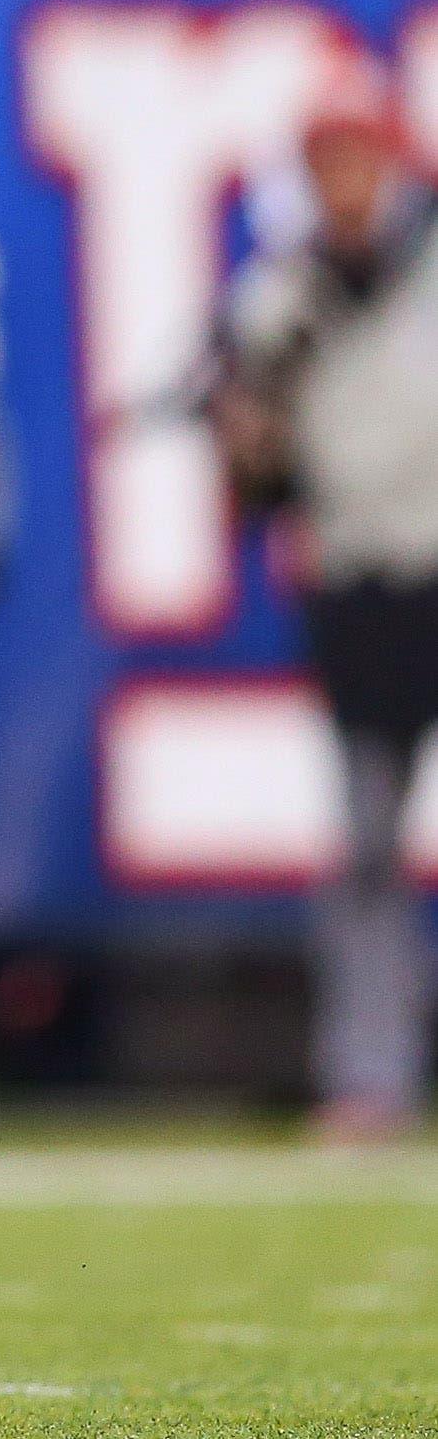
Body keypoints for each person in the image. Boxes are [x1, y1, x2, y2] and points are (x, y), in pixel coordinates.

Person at [208, 66, 438, 1140]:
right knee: (362, 840)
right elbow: (260, 474)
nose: (344, 183)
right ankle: (372, 1070)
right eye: (324, 164)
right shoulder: (278, 295)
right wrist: (249, 443)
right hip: (357, 578)